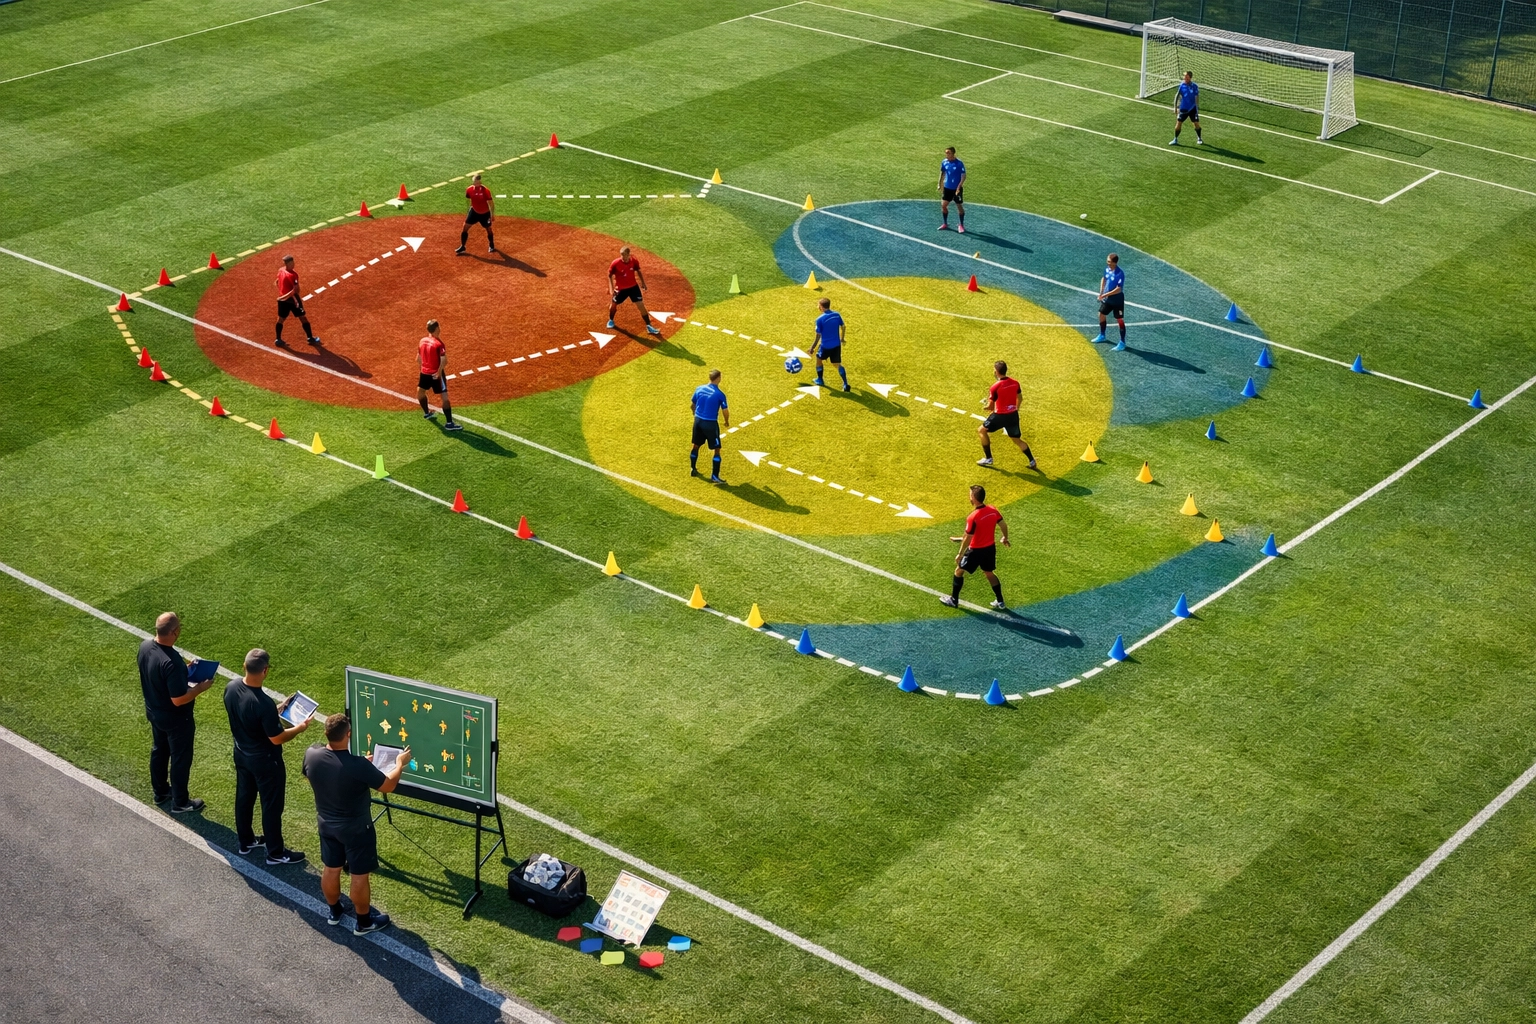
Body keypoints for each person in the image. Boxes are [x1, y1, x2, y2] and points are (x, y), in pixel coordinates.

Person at [303, 713, 410, 936]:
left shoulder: (312, 754)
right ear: (349, 734)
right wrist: (399, 763)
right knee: (359, 875)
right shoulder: (357, 765)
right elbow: (388, 785)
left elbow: (317, 773)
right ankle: (363, 922)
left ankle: (334, 912)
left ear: (326, 733)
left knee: (331, 869)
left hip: (326, 824)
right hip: (356, 829)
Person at [223, 649, 311, 865]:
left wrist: (277, 710)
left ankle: (246, 841)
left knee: (244, 799)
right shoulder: (263, 702)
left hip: (242, 755)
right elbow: (277, 738)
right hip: (265, 762)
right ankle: (275, 852)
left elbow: (250, 716)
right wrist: (299, 728)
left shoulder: (231, 687)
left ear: (244, 666)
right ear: (265, 671)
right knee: (271, 806)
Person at [137, 612, 212, 813]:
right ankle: (180, 802)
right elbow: (178, 699)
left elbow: (158, 676)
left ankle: (160, 791)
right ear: (175, 632)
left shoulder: (145, 647)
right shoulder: (171, 661)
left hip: (154, 712)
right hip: (177, 719)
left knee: (159, 751)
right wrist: (200, 689)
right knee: (180, 759)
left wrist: (183, 672)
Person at [940, 484, 1010, 611]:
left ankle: (954, 600)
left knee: (958, 571)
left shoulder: (973, 517)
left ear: (973, 498)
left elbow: (969, 537)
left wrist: (960, 553)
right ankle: (1000, 602)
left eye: (970, 495)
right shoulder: (993, 510)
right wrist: (1005, 537)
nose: (969, 497)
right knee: (989, 573)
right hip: (989, 548)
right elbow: (1003, 525)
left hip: (975, 551)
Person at [977, 360, 1036, 469]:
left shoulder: (995, 387)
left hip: (999, 416)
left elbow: (990, 406)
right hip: (1013, 415)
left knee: (981, 430)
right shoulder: (1015, 383)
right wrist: (1015, 409)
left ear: (996, 371)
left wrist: (986, 407)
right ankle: (1032, 461)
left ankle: (988, 458)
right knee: (1017, 440)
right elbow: (1020, 398)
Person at [417, 319, 462, 430]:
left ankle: (427, 413)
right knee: (445, 397)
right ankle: (449, 423)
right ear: (437, 329)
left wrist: (423, 370)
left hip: (424, 372)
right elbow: (444, 361)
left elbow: (418, 359)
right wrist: (438, 372)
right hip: (435, 374)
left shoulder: (422, 341)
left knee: (421, 391)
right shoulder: (439, 344)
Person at [607, 246, 662, 336]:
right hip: (620, 289)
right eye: (621, 255)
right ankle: (611, 320)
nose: (623, 257)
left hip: (633, 288)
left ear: (629, 254)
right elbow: (609, 275)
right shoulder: (615, 263)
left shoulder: (634, 261)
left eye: (624, 255)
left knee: (641, 306)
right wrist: (611, 288)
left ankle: (649, 326)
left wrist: (643, 283)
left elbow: (638, 270)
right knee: (613, 305)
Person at [690, 369, 729, 484]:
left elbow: (692, 405)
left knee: (695, 445)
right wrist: (726, 421)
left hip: (698, 422)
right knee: (717, 450)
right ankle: (715, 476)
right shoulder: (720, 394)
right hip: (710, 424)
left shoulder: (699, 388)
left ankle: (693, 468)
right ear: (718, 378)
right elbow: (725, 410)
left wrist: (695, 414)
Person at [274, 255, 319, 349]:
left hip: (282, 300)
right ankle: (310, 338)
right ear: (289, 263)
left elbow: (277, 281)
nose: (294, 264)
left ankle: (278, 339)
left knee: (280, 319)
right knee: (303, 317)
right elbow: (295, 291)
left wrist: (281, 296)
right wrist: (285, 296)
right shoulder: (293, 275)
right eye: (292, 263)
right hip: (293, 300)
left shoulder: (281, 270)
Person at [812, 297, 850, 391]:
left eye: (818, 305)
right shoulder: (837, 315)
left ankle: (820, 380)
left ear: (821, 306)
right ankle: (845, 384)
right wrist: (842, 338)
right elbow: (843, 326)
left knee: (818, 360)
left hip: (825, 346)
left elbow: (818, 336)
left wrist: (812, 348)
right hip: (836, 345)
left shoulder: (819, 319)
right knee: (837, 364)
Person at [455, 173, 497, 255]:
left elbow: (491, 203)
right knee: (465, 227)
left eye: (477, 182)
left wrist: (492, 215)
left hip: (485, 213)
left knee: (488, 229)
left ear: (480, 182)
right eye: (474, 182)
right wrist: (469, 209)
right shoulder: (469, 190)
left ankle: (491, 245)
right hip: (474, 211)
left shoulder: (486, 191)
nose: (475, 184)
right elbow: (469, 199)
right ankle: (463, 246)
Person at [1094, 253, 1126, 346]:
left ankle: (1122, 342)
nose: (1107, 262)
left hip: (1117, 299)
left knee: (1119, 319)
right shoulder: (1107, 269)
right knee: (1101, 314)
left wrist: (1105, 294)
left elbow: (1118, 289)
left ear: (1114, 263)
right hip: (1107, 297)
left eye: (1109, 261)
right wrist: (1101, 292)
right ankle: (1102, 335)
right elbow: (1104, 278)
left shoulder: (1120, 273)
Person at [937, 146, 966, 233]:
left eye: (948, 153)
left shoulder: (959, 163)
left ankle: (961, 225)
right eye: (946, 153)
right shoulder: (944, 162)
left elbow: (964, 176)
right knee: (943, 205)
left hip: (957, 189)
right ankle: (945, 223)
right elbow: (942, 172)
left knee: (959, 207)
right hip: (947, 188)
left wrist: (959, 187)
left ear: (953, 153)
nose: (946, 154)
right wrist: (939, 183)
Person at [1170, 71, 1203, 145]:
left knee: (1196, 123)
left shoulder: (1194, 86)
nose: (1184, 78)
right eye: (1184, 76)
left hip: (1192, 108)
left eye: (1186, 77)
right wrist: (1175, 108)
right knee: (1178, 123)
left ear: (1190, 77)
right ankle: (1175, 139)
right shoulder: (1182, 85)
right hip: (1183, 108)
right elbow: (1177, 96)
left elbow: (1197, 97)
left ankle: (1199, 138)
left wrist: (1197, 108)